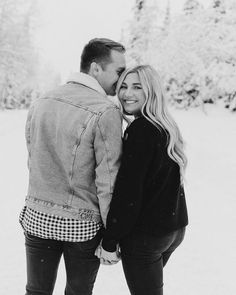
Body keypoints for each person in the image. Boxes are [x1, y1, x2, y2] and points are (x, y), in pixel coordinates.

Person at [19, 38, 126, 295]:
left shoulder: (43, 101)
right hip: (82, 225)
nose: (121, 80)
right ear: (95, 68)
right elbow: (108, 180)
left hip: (37, 217)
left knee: (36, 291)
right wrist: (113, 235)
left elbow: (33, 157)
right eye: (119, 71)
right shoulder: (105, 111)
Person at [96, 65, 188, 295]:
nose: (127, 94)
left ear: (151, 91)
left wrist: (110, 242)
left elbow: (128, 192)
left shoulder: (141, 131)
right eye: (123, 86)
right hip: (173, 230)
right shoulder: (165, 126)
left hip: (147, 237)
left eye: (137, 87)